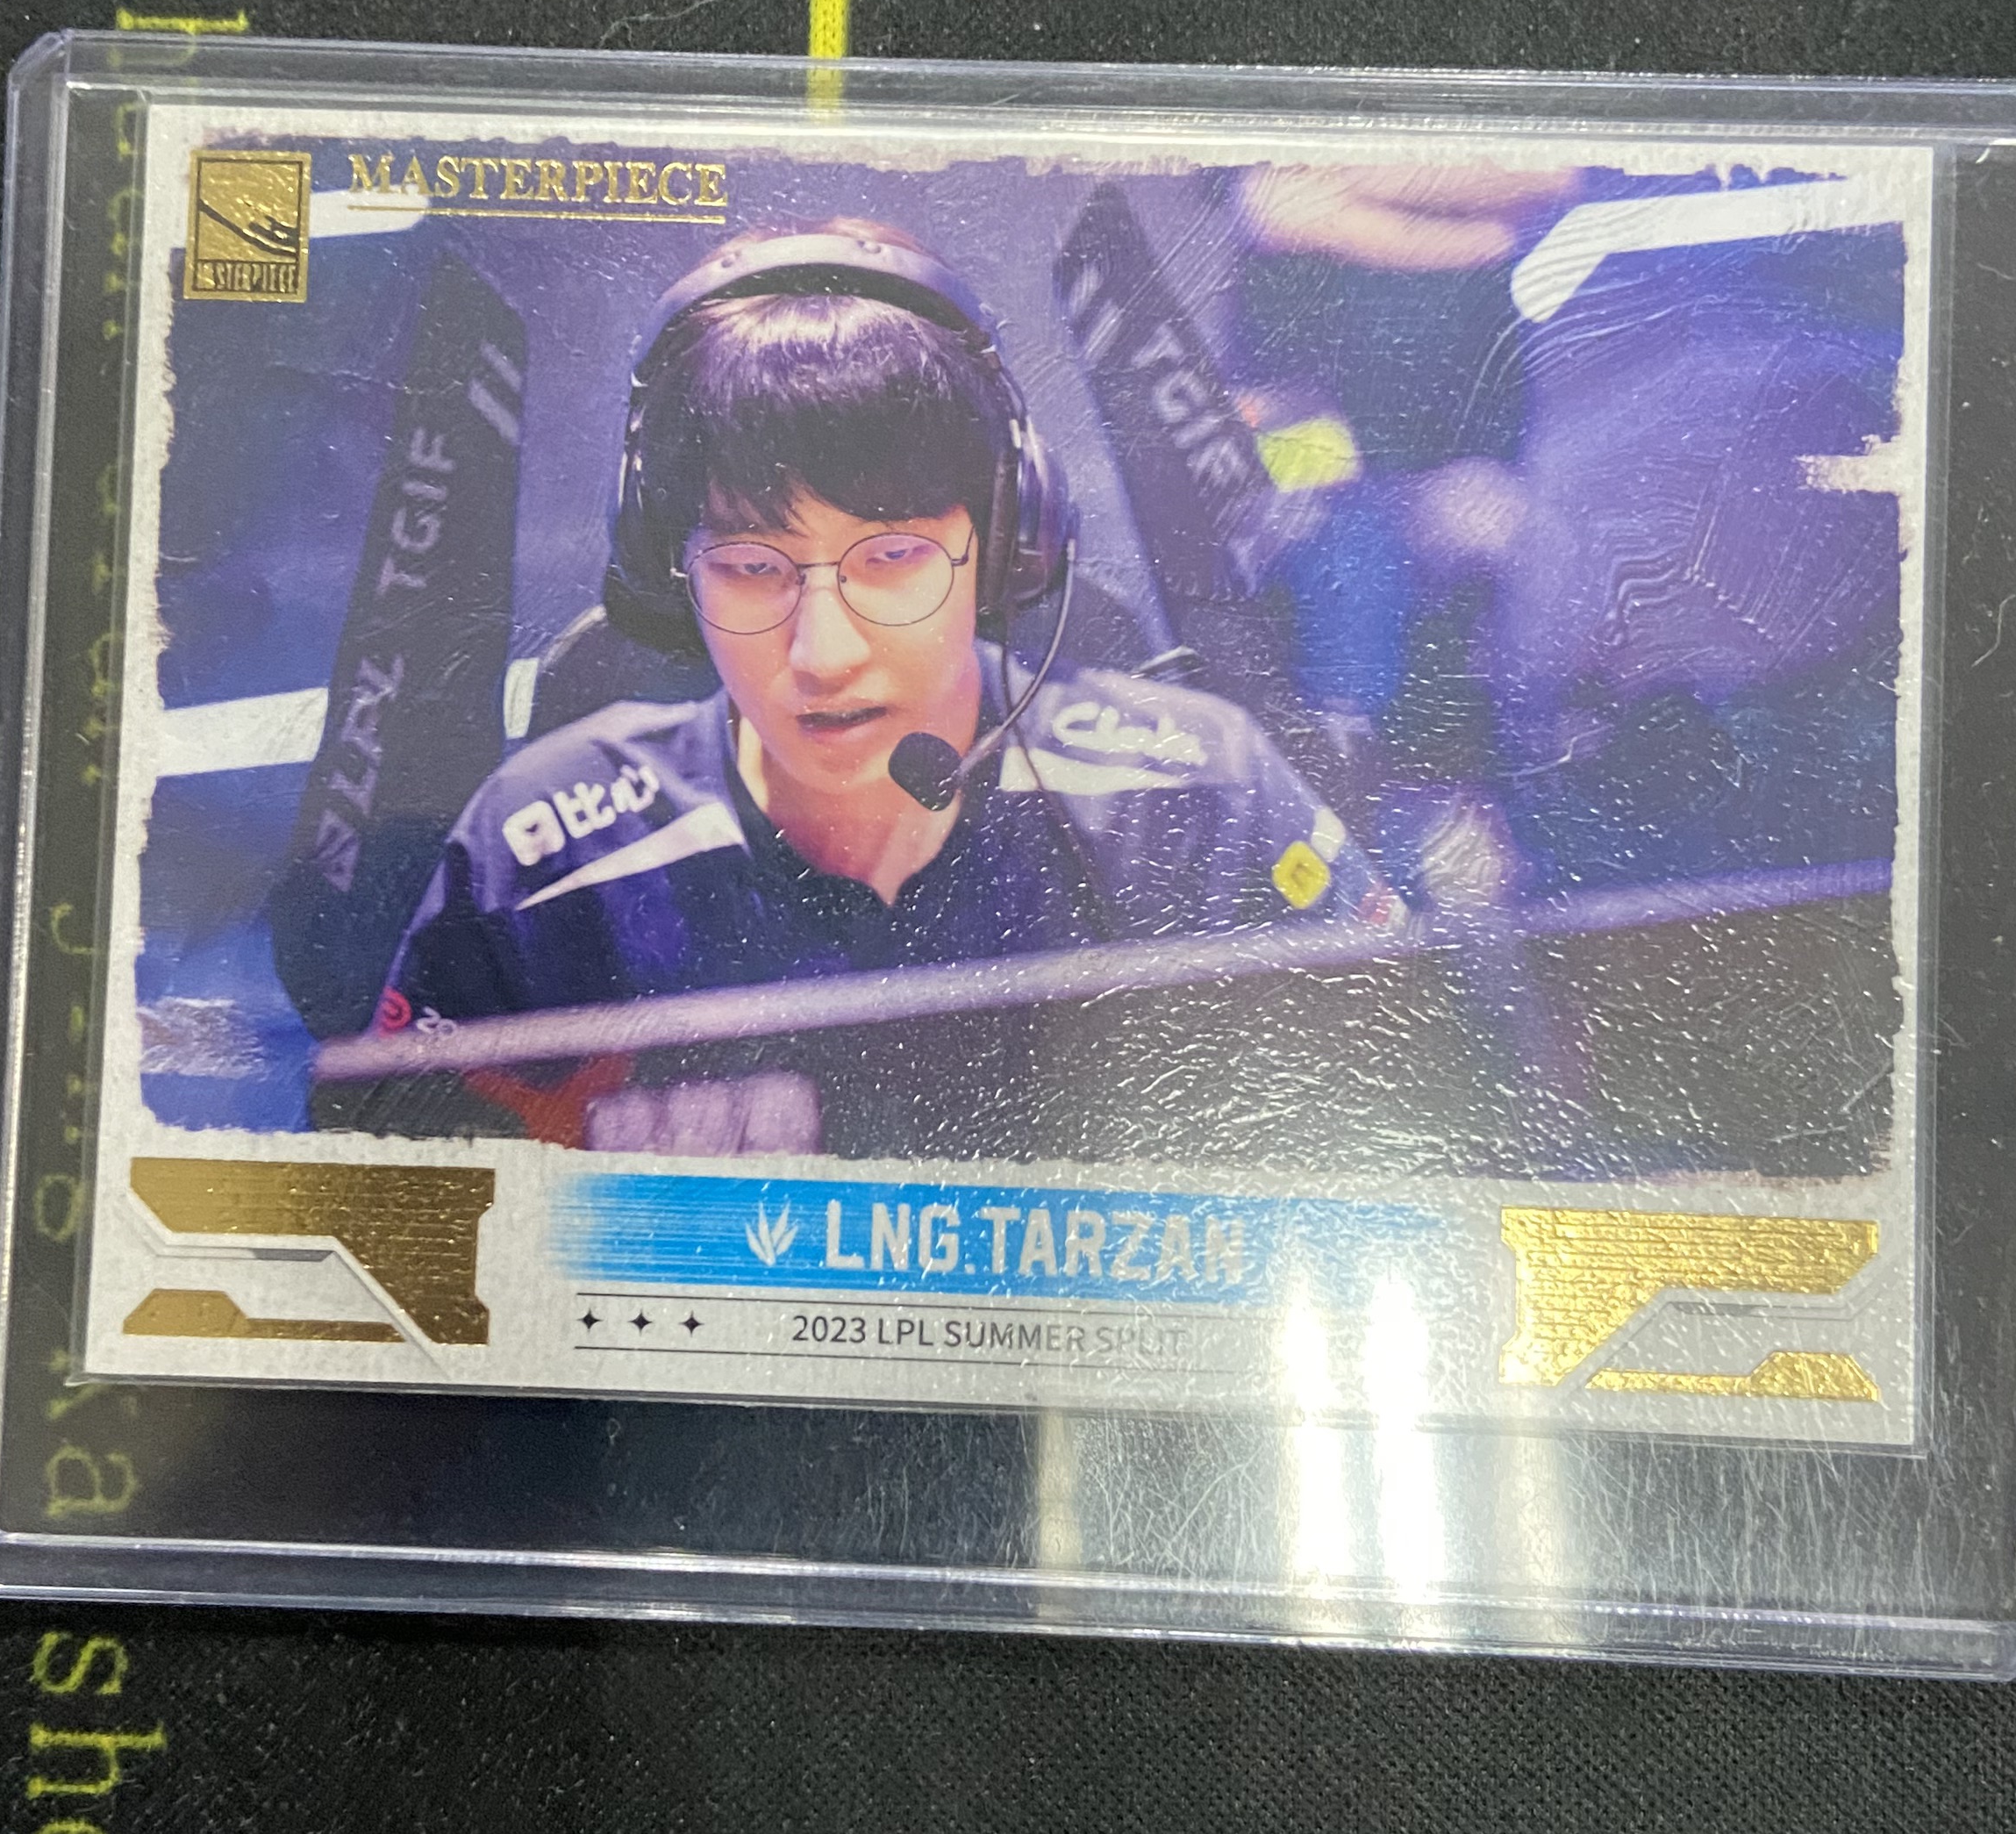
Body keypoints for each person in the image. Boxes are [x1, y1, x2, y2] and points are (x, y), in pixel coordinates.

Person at [326, 221, 1397, 1150]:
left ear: (1003, 542)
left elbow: (1411, 1123)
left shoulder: (1201, 799)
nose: (823, 652)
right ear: (669, 568)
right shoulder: (536, 859)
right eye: (752, 567)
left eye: (891, 558)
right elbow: (383, 1221)